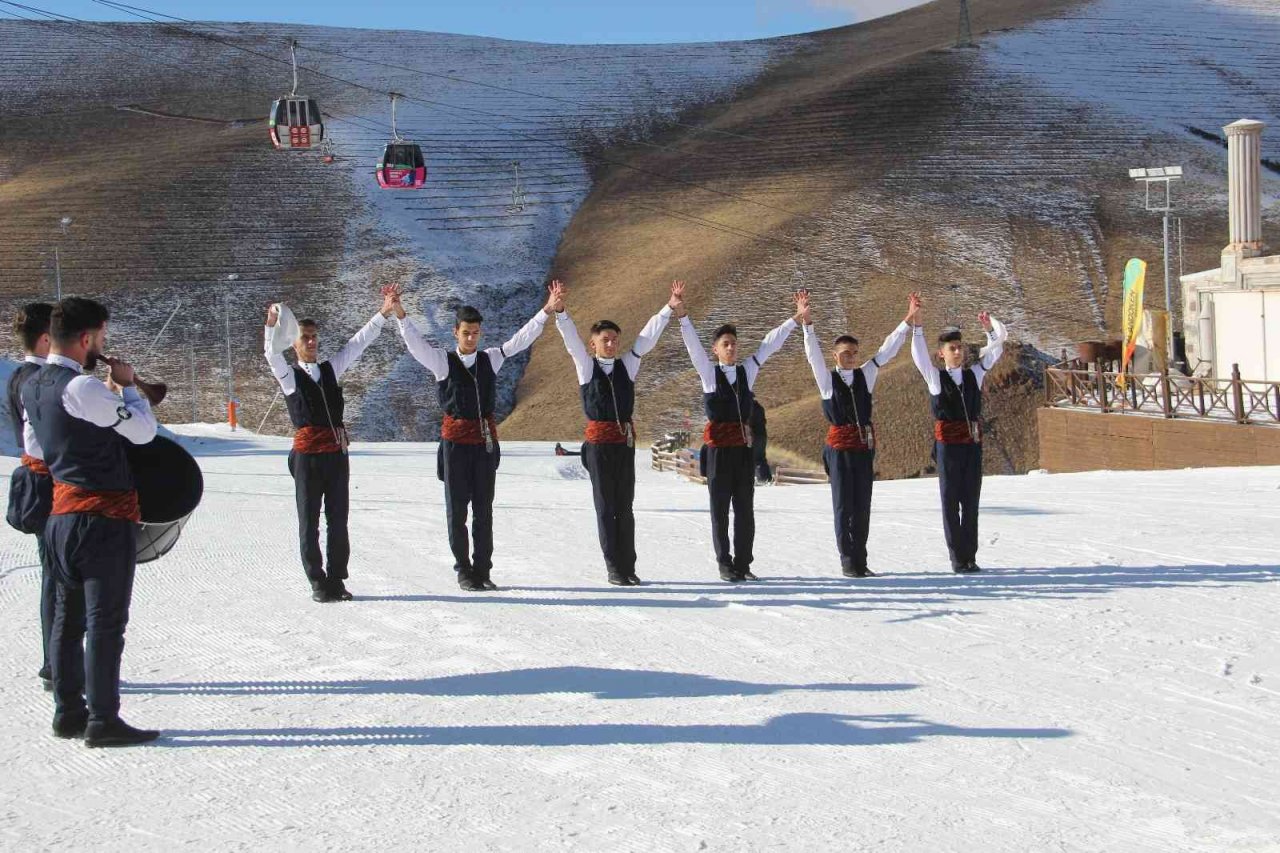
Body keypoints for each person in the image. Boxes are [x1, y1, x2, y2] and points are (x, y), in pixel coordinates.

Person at [23, 297, 158, 746]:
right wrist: (127, 388)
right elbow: (142, 432)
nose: (102, 343)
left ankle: (68, 712)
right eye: (100, 336)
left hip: (61, 516)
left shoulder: (33, 384)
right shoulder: (81, 388)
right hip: (101, 519)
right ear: (86, 339)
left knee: (67, 618)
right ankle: (103, 719)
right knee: (105, 621)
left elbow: (40, 451)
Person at [393, 284, 558, 591]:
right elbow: (417, 347)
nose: (471, 338)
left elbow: (519, 341)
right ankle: (464, 570)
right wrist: (401, 314)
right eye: (466, 332)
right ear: (456, 332)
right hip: (455, 446)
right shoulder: (443, 362)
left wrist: (546, 310)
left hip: (484, 446)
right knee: (457, 512)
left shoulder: (490, 359)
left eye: (476, 333)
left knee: (484, 510)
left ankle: (483, 569)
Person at [264, 287, 397, 603]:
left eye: (313, 337)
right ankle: (317, 580)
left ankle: (337, 578)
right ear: (294, 344)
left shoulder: (329, 369)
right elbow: (270, 355)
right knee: (309, 521)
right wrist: (271, 324)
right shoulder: (290, 377)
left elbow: (357, 344)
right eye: (304, 338)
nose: (311, 342)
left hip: (336, 456)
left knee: (338, 519)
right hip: (307, 458)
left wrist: (383, 311)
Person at [553, 279, 678, 585]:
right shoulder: (586, 366)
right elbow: (570, 342)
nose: (611, 344)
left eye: (614, 339)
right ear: (593, 344)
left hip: (624, 445)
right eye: (605, 339)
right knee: (605, 506)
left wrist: (669, 308)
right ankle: (613, 567)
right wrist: (560, 312)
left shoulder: (628, 366)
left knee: (625, 505)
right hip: (598, 447)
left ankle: (629, 566)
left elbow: (646, 339)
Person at [677, 287, 804, 582]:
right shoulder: (709, 375)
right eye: (726, 344)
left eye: (734, 343)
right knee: (720, 510)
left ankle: (744, 563)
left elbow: (769, 345)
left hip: (743, 453)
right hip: (720, 453)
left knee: (745, 510)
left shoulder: (748, 370)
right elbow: (693, 348)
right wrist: (683, 316)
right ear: (716, 350)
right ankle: (725, 563)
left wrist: (795, 319)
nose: (732, 348)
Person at [801, 290, 915, 578]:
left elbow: (887, 350)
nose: (850, 358)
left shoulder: (867, 374)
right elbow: (812, 355)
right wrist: (807, 323)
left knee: (863, 504)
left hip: (864, 448)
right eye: (845, 354)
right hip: (839, 450)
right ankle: (848, 561)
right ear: (835, 355)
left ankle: (861, 560)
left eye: (854, 353)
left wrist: (908, 320)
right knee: (843, 505)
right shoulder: (828, 380)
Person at [909, 300, 1008, 573]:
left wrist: (990, 329)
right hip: (948, 449)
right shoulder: (935, 378)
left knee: (971, 502)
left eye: (960, 347)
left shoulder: (974, 374)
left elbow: (997, 350)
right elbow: (918, 357)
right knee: (951, 503)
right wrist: (917, 325)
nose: (958, 352)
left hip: (972, 447)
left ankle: (970, 556)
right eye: (952, 348)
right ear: (941, 354)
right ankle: (957, 558)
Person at [7, 303, 55, 690]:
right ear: (45, 339)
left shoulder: (20, 376)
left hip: (39, 482)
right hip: (50, 484)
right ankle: (56, 664)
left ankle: (57, 661)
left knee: (55, 575)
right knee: (59, 577)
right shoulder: (39, 381)